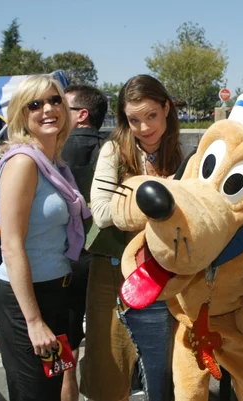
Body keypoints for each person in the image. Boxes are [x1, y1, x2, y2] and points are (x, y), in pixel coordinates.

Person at [80, 74, 184, 401]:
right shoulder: (114, 150)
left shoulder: (182, 155)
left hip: (166, 278)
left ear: (166, 108)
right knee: (109, 371)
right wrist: (156, 198)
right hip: (112, 276)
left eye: (151, 115)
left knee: (165, 372)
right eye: (134, 120)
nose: (144, 127)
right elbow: (100, 211)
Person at [0, 75, 90, 401]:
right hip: (25, 304)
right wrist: (33, 322)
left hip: (55, 295)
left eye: (54, 100)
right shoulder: (23, 163)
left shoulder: (53, 164)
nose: (47, 109)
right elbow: (11, 244)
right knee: (33, 394)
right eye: (35, 104)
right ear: (22, 115)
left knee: (50, 390)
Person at [59, 84, 108, 401]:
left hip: (64, 262)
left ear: (81, 114)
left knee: (64, 348)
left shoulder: (52, 152)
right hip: (111, 258)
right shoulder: (117, 150)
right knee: (116, 344)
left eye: (62, 106)